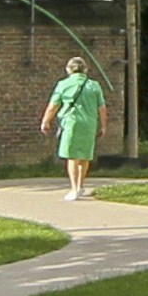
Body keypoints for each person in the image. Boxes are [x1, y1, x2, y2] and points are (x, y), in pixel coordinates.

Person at [45, 56, 107, 197]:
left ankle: (74, 189)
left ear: (68, 69)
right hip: (90, 124)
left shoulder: (63, 84)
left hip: (72, 123)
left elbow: (53, 105)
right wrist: (103, 126)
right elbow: (102, 108)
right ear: (85, 70)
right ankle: (80, 185)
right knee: (84, 157)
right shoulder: (94, 85)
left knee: (72, 157)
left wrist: (45, 121)